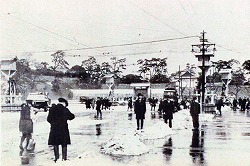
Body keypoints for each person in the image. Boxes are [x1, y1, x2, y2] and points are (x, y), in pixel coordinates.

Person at [47, 98, 75, 162]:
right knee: (64, 143)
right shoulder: (65, 109)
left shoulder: (52, 109)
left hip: (54, 129)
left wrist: (53, 123)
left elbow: (48, 119)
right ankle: (64, 158)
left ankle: (56, 158)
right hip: (63, 129)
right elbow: (71, 117)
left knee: (55, 143)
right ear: (64, 103)